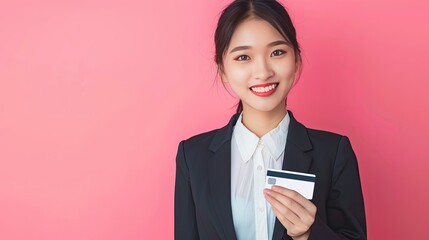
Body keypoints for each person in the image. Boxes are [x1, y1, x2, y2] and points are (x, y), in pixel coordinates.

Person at [174, 0, 366, 239]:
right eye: (243, 57)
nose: (263, 72)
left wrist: (309, 234)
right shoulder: (192, 157)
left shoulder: (334, 153)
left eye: (277, 52)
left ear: (296, 59)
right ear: (223, 69)